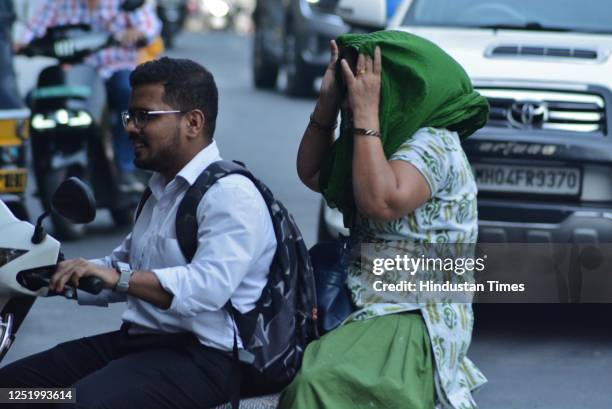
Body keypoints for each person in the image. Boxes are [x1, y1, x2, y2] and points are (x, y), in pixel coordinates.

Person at [0, 57, 277, 409]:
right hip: (138, 345)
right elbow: (124, 264)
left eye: (145, 116)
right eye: (130, 116)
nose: (131, 127)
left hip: (203, 360)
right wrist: (56, 275)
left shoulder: (230, 196)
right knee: (11, 392)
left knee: (72, 404)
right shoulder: (161, 188)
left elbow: (206, 289)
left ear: (193, 122)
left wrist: (116, 276)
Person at [280, 30, 490, 409]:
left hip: (413, 311)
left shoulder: (433, 143)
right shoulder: (380, 138)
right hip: (364, 297)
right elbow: (313, 173)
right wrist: (327, 104)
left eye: (368, 85)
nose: (356, 92)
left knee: (316, 382)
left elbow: (382, 202)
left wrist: (364, 115)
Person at [14, 0, 162, 193]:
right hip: (73, 75)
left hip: (113, 71)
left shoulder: (124, 4)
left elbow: (149, 26)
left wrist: (137, 33)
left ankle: (127, 166)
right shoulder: (59, 4)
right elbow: (34, 28)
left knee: (128, 95)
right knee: (32, 99)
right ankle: (38, 163)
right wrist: (18, 44)